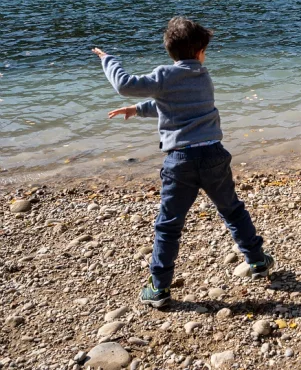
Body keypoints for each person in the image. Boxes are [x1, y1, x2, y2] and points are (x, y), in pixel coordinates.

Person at [92, 16, 274, 308]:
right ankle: (258, 262)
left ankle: (160, 287)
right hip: (214, 155)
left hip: (181, 162)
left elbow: (125, 84)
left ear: (169, 51)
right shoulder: (202, 76)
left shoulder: (165, 75)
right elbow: (176, 105)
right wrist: (138, 110)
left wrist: (108, 59)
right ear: (200, 52)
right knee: (232, 210)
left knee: (169, 225)